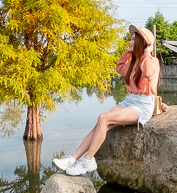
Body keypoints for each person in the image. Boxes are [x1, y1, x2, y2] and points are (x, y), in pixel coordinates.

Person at [54, 24, 161, 175]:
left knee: (103, 118)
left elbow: (148, 72)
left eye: (132, 40)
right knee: (100, 123)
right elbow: (119, 68)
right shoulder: (133, 62)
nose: (130, 42)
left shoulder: (151, 61)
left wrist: (146, 52)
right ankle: (73, 158)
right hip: (129, 101)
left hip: (142, 106)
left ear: (142, 43)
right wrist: (128, 52)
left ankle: (88, 161)